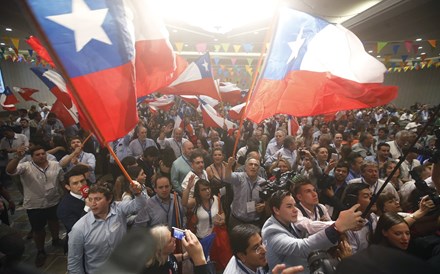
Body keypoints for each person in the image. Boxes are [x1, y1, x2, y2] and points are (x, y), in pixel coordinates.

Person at [262, 190, 362, 272]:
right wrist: (337, 227)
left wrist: (341, 225)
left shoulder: (288, 220)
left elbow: (310, 227)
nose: (295, 210)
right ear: (276, 210)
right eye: (289, 206)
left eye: (295, 205)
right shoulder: (271, 231)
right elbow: (302, 247)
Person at [68, 181, 146, 273]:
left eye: (97, 199)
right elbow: (74, 262)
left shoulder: (118, 209)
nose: (93, 203)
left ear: (109, 199)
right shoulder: (79, 228)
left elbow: (139, 205)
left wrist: (137, 192)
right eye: (90, 199)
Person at [6, 145, 63, 267]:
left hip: (53, 201)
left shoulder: (55, 164)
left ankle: (56, 239)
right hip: (35, 204)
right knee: (38, 230)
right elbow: (10, 171)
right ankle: (41, 251)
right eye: (37, 154)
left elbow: (61, 180)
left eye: (43, 153)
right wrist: (17, 157)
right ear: (31, 157)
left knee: (54, 222)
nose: (41, 156)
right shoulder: (25, 167)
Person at [140, 225, 214, 274]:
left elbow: (171, 258)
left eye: (172, 236)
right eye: (170, 241)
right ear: (160, 249)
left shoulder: (165, 254)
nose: (174, 239)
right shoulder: (155, 271)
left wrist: (184, 256)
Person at [224, 156, 266, 229]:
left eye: (256, 165)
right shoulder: (239, 177)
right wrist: (229, 165)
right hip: (237, 220)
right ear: (245, 167)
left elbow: (266, 199)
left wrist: (264, 205)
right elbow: (227, 178)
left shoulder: (263, 183)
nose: (253, 167)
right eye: (250, 164)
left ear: (259, 169)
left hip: (254, 221)